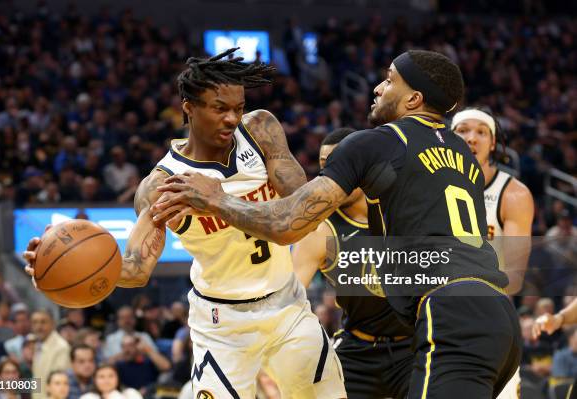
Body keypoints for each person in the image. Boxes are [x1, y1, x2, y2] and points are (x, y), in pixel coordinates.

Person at [154, 49, 522, 398]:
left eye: (390, 80)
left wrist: (216, 199)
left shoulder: (377, 143)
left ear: (413, 100)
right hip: (498, 314)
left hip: (450, 312)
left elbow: (288, 224)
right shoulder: (463, 156)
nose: (377, 88)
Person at [23, 47, 345, 398]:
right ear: (188, 108)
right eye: (219, 109)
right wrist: (58, 270)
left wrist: (218, 200)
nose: (232, 119)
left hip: (288, 307)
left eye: (237, 108)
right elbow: (136, 269)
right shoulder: (162, 185)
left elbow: (299, 215)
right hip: (222, 324)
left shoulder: (261, 129)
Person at [292, 127, 414, 398]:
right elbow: (288, 298)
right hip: (357, 349)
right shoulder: (321, 229)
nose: (332, 175)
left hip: (414, 348)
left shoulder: (404, 210)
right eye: (325, 167)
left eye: (340, 163)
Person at [452, 108, 535, 399]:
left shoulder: (513, 194)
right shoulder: (426, 187)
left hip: (489, 318)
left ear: (493, 143)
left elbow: (513, 276)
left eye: (480, 132)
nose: (471, 138)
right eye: (462, 130)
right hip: (436, 316)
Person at [30, 309, 70, 399]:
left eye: (43, 322)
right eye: (35, 322)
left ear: (53, 323)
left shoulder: (61, 347)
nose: (38, 326)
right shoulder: (38, 344)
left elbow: (59, 386)